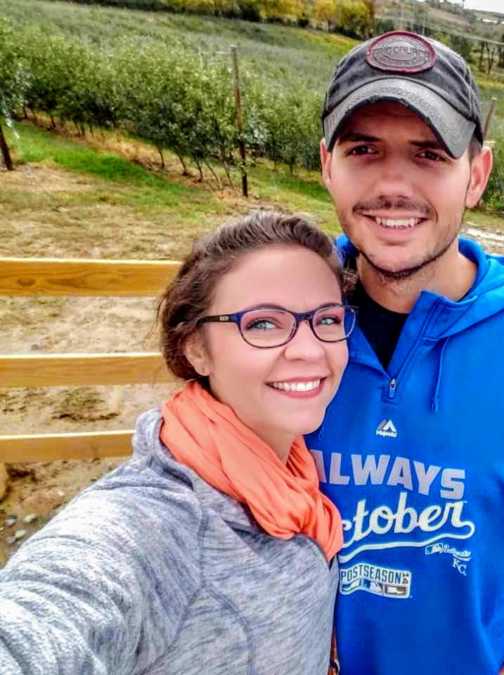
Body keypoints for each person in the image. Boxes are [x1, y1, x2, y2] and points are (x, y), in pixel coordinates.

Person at [307, 31, 504, 675]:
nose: (394, 184)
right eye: (364, 150)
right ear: (327, 164)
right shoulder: (285, 322)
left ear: (477, 174)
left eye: (430, 154)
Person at [0, 212, 351, 674]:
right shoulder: (153, 528)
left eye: (326, 318)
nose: (309, 349)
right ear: (196, 349)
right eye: (263, 323)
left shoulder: (295, 481)